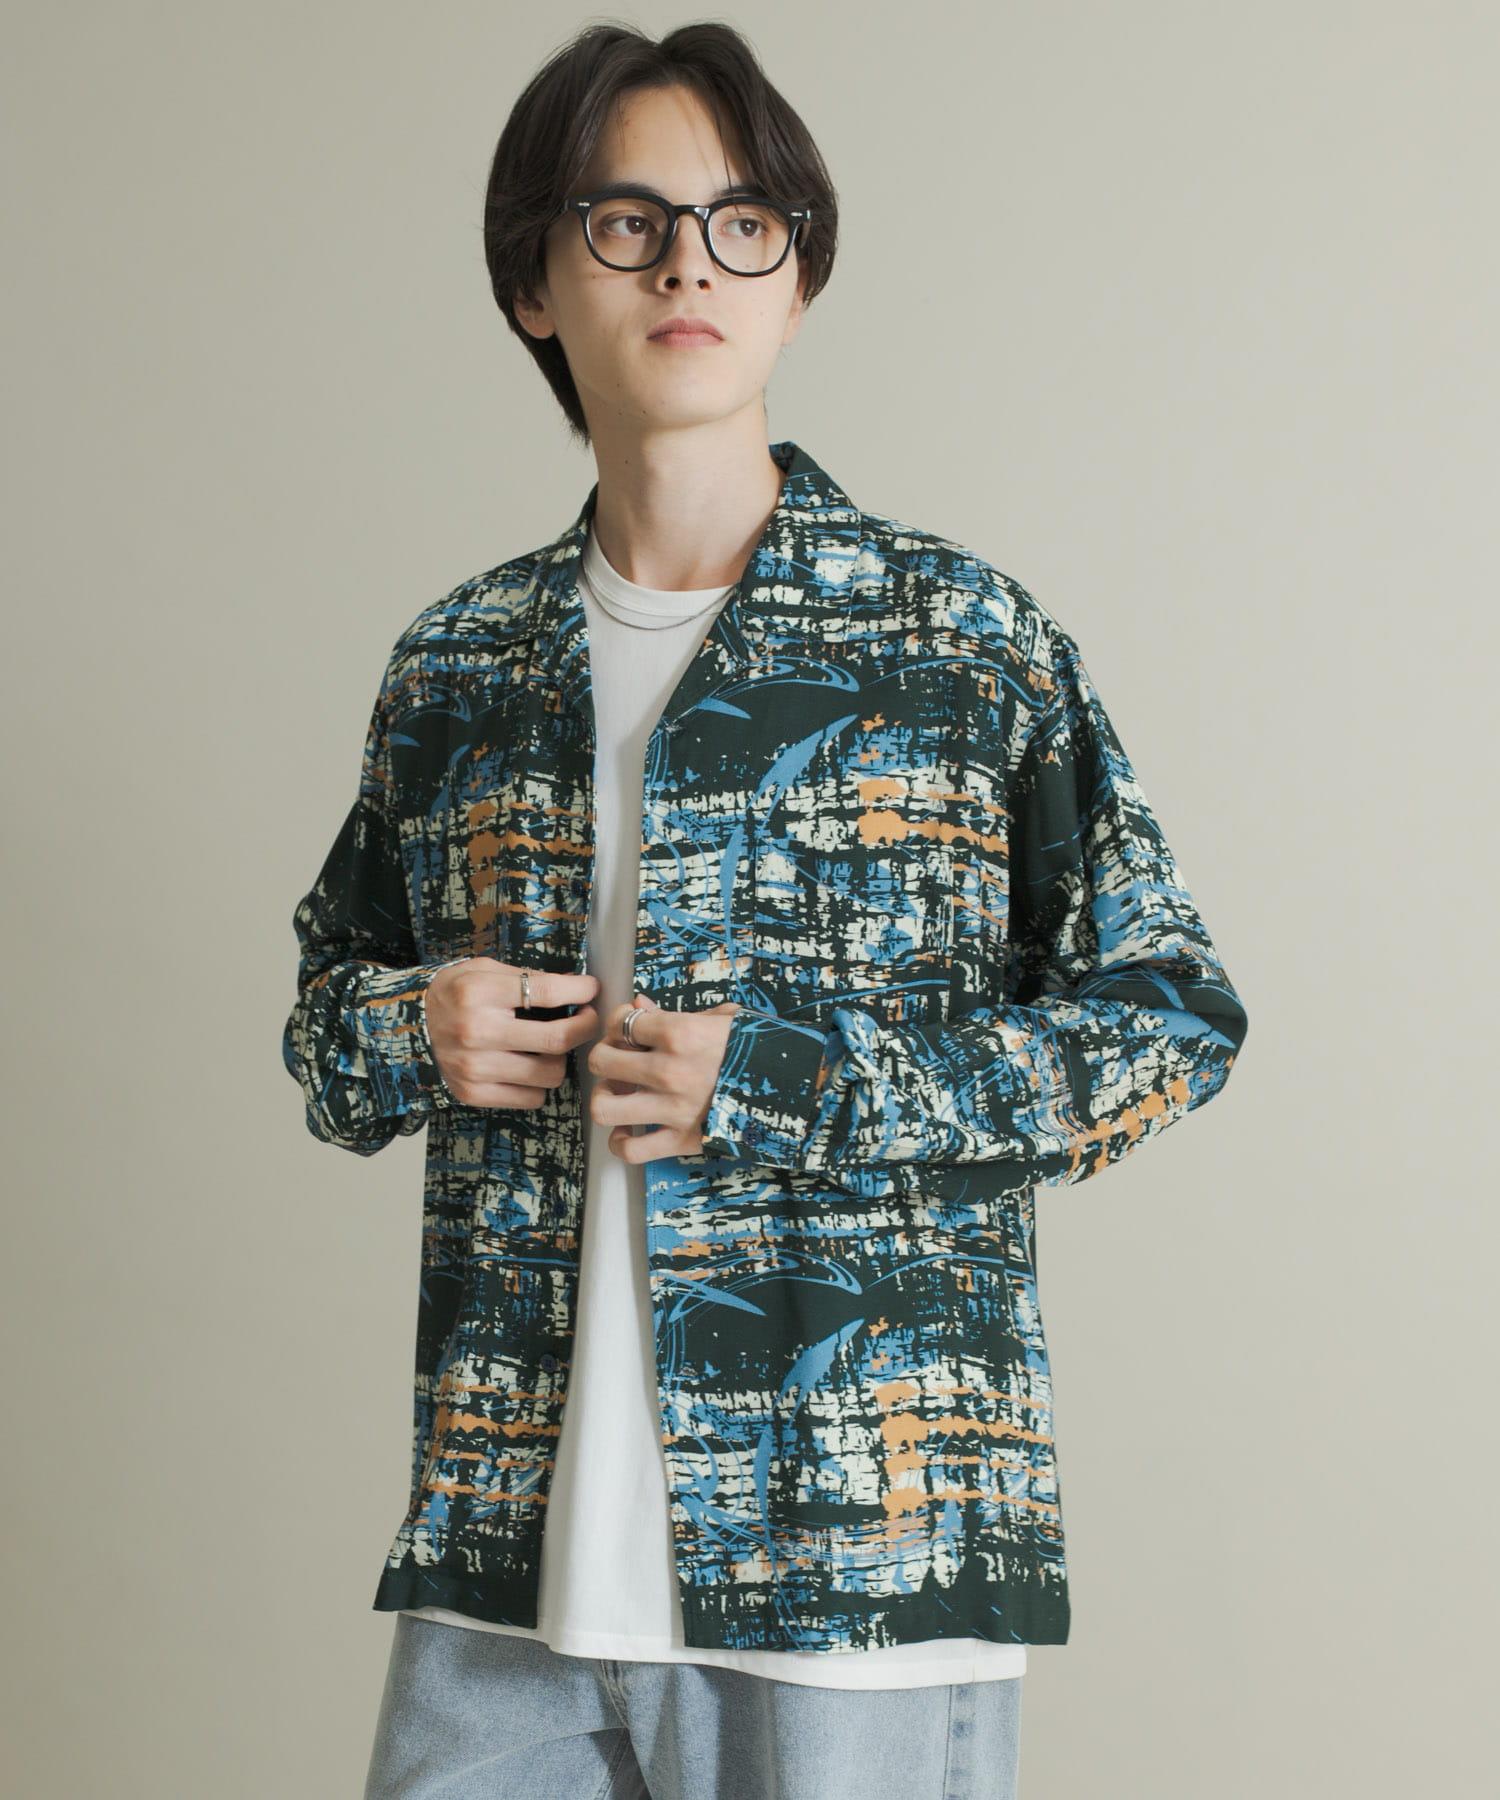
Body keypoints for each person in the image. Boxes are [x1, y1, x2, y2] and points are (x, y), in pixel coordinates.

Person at [280, 21, 1249, 1800]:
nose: (688, 265)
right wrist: (410, 1029)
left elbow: (1169, 1021)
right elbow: (326, 1027)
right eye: (626, 220)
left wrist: (797, 1083)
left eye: (742, 223)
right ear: (532, 284)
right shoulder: (459, 667)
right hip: (506, 1561)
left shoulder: (958, 645)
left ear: (799, 279)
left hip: (857, 1563)